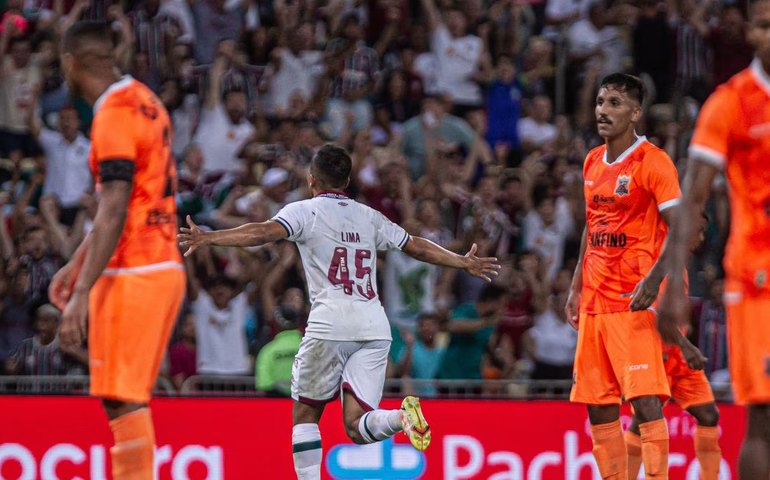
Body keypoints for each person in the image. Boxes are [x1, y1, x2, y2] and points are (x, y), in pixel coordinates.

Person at [178, 143, 499, 480]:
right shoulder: (369, 216)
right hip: (373, 324)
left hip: (330, 322)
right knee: (356, 427)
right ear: (346, 181)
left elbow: (262, 232)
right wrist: (461, 261)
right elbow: (415, 245)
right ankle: (400, 418)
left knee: (305, 415)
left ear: (311, 179)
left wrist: (211, 238)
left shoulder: (304, 211)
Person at [48, 22, 185, 480]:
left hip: (135, 269)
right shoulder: (146, 99)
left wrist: (81, 291)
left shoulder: (112, 114)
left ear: (72, 63)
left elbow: (114, 206)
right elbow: (133, 203)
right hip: (157, 261)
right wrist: (78, 263)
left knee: (123, 399)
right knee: (120, 398)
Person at [658, 2, 770, 478]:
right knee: (764, 419)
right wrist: (673, 283)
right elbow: (693, 199)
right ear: (750, 33)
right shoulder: (730, 102)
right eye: (765, 25)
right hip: (757, 279)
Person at [566, 73, 681, 479]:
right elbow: (591, 225)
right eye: (600, 102)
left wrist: (654, 280)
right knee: (599, 408)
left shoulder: (653, 161)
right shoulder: (592, 160)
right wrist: (576, 286)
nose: (603, 110)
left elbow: (681, 226)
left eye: (614, 103)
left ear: (635, 112)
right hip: (594, 302)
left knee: (645, 402)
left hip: (631, 300)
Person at [627, 215, 721, 480]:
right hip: (655, 351)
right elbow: (655, 312)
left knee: (708, 415)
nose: (700, 238)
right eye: (698, 231)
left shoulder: (681, 265)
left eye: (703, 232)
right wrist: (686, 345)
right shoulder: (659, 262)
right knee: (644, 421)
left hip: (678, 355)